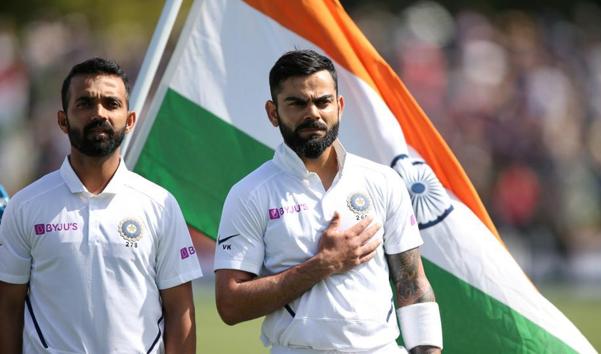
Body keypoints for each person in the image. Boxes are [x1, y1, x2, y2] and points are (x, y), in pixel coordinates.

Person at [214, 49, 443, 354]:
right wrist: (324, 264)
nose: (313, 114)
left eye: (323, 102)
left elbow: (412, 281)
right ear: (273, 113)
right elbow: (230, 305)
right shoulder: (250, 193)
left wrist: (428, 351)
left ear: (339, 106)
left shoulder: (382, 181)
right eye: (297, 103)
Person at [0, 58, 203, 354]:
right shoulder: (25, 206)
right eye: (84, 103)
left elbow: (180, 310)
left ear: (130, 120)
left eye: (111, 103)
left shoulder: (160, 205)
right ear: (62, 119)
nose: (99, 113)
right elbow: (8, 309)